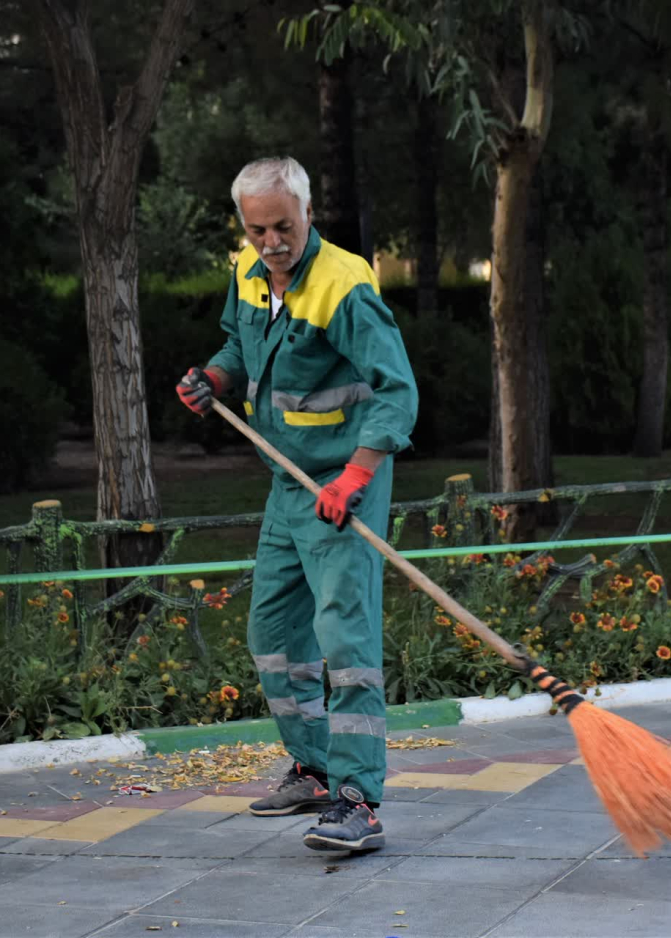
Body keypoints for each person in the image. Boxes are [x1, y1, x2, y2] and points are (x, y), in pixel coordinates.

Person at [176, 156, 418, 852]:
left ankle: (357, 798)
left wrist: (357, 477)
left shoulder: (344, 285)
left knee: (345, 643)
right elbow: (237, 347)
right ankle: (314, 766)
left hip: (346, 483)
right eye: (257, 229)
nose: (271, 242)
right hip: (289, 486)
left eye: (283, 226)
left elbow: (396, 390)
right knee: (274, 639)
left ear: (308, 213)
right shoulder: (248, 272)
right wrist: (213, 379)